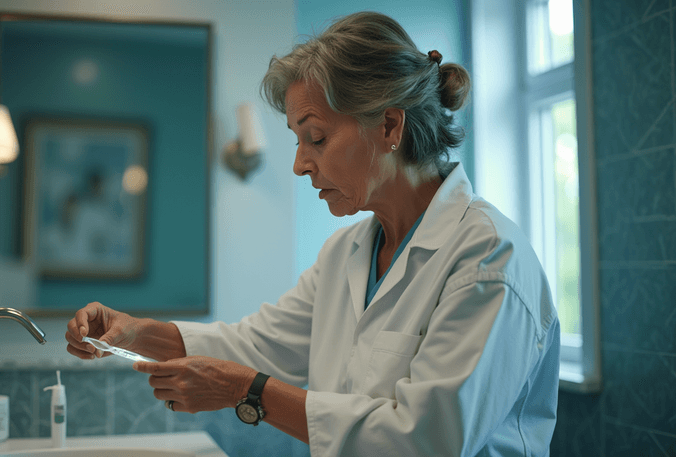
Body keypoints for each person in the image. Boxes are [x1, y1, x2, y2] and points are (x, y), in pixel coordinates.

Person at [65, 11, 559, 456]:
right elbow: (254, 345)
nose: (301, 165)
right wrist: (132, 331)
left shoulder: (489, 259)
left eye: (316, 138)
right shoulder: (347, 253)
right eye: (298, 141)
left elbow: (425, 442)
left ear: (389, 126)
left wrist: (248, 391)